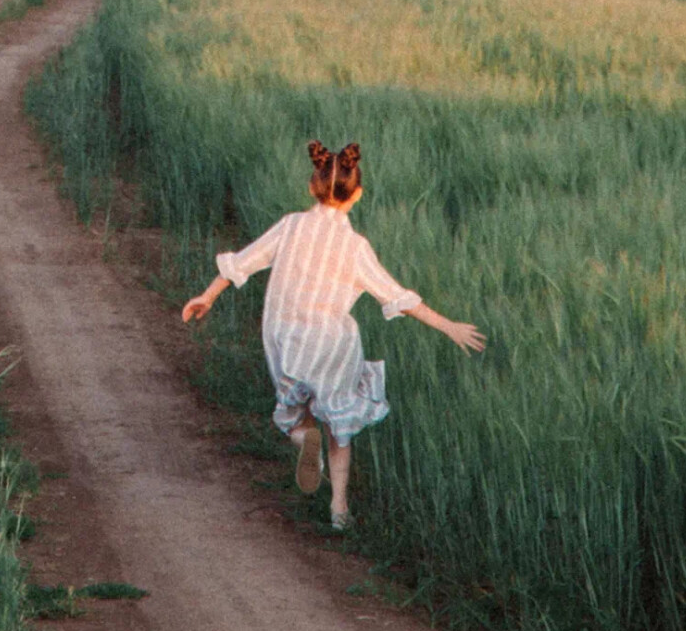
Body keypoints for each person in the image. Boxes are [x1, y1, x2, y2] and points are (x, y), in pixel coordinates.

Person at [182, 138, 485, 530]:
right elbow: (397, 297)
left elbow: (241, 263)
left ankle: (304, 443)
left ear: (312, 186)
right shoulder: (355, 246)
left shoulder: (290, 226)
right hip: (336, 345)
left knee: (294, 415)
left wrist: (206, 296)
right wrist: (448, 325)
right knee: (340, 425)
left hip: (288, 340)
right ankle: (339, 508)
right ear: (357, 195)